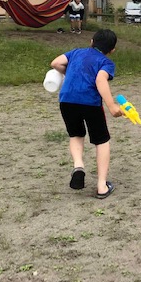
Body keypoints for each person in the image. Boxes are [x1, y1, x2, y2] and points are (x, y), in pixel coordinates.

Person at [50, 29, 122, 199]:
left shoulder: (75, 52)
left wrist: (69, 73)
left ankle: (78, 165)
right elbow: (100, 79)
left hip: (67, 100)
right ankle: (102, 186)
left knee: (76, 134)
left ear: (91, 41)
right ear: (112, 50)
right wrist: (111, 105)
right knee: (101, 140)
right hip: (90, 103)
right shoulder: (106, 62)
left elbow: (55, 63)